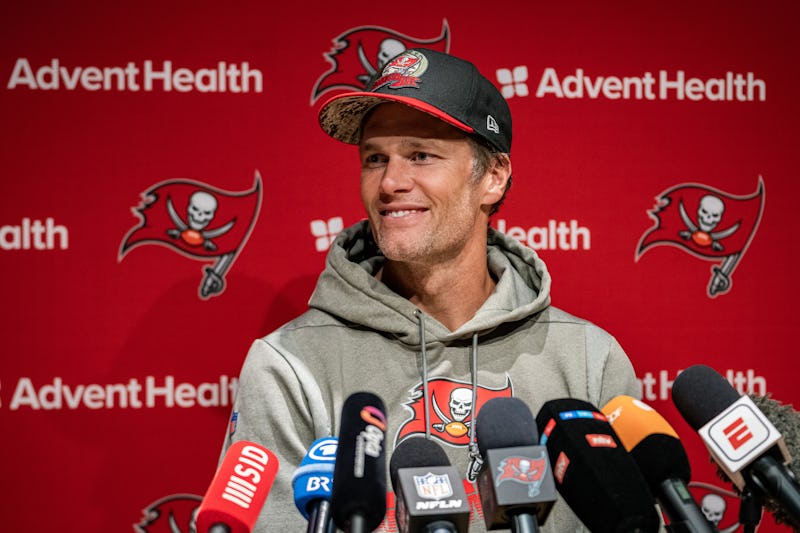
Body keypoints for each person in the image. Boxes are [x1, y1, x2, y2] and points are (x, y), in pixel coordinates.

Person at [220, 48, 640, 532]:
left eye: (421, 154)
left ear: (493, 178)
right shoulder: (289, 364)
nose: (391, 182)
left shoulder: (589, 359)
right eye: (375, 158)